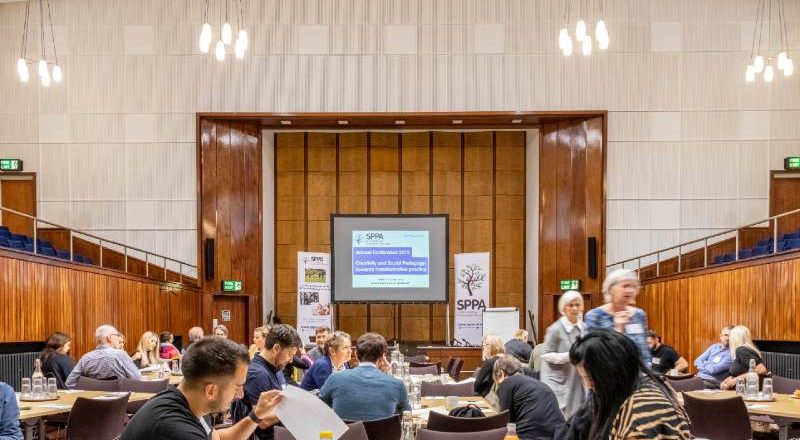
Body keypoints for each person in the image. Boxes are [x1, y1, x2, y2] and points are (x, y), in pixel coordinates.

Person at [121, 337, 284, 440]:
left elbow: (218, 437)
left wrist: (257, 415)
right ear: (210, 390)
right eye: (238, 386)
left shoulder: (189, 403)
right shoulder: (177, 431)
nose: (241, 395)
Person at [569, 329, 691, 440]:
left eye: (589, 378)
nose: (588, 386)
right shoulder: (640, 383)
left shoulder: (641, 414)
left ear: (611, 370)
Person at [319, 332, 409, 421]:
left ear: (356, 354)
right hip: (382, 435)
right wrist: (388, 375)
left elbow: (319, 406)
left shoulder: (335, 378)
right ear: (382, 358)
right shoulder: (397, 385)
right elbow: (405, 416)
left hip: (347, 435)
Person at [241, 324, 302, 440]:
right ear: (276, 348)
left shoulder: (277, 367)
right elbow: (262, 420)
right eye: (290, 354)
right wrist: (295, 408)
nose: (290, 360)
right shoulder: (257, 374)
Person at [584, 268, 651, 366]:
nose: (630, 290)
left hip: (639, 376)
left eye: (633, 286)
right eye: (625, 286)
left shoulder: (639, 314)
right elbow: (593, 353)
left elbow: (644, 349)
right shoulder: (595, 316)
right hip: (610, 376)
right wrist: (617, 331)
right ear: (611, 289)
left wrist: (648, 368)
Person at [493, 356, 564, 440]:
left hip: (529, 436)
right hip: (558, 435)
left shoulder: (507, 383)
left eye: (496, 381)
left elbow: (504, 421)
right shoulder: (537, 383)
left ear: (500, 373)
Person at [540, 290, 585, 418]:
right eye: (570, 305)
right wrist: (569, 356)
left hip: (577, 380)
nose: (575, 308)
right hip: (558, 381)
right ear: (563, 308)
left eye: (577, 305)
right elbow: (546, 355)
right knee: (562, 418)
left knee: (577, 416)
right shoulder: (555, 329)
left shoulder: (584, 328)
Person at [65, 324, 141, 388]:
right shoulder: (120, 355)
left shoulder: (86, 358)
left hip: (94, 401)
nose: (118, 338)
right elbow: (137, 378)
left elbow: (70, 383)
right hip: (122, 401)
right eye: (116, 335)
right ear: (110, 338)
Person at [719, 325, 768, 390]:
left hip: (750, 392)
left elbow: (762, 370)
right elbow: (742, 371)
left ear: (735, 337)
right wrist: (726, 381)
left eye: (730, 336)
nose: (729, 338)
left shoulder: (741, 350)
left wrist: (735, 380)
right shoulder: (744, 349)